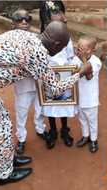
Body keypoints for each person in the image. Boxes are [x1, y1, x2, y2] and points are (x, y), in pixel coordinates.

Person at [0, 21, 92, 186]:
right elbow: (55, 90)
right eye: (62, 47)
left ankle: (9, 159)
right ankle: (3, 175)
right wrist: (80, 73)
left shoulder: (24, 34)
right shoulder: (38, 54)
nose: (60, 51)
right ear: (56, 44)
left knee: (5, 125)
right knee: (2, 129)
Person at [10, 9, 47, 155]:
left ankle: (40, 128)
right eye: (20, 19)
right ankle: (21, 139)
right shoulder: (9, 40)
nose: (24, 22)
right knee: (22, 111)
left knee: (40, 109)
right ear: (13, 23)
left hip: (38, 82)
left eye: (27, 18)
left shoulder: (37, 38)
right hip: (23, 84)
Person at [40, 0, 76, 149]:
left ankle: (64, 130)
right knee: (49, 104)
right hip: (47, 77)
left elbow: (70, 57)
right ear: (46, 16)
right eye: (55, 13)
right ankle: (53, 130)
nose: (60, 16)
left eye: (62, 12)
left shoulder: (66, 37)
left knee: (63, 103)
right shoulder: (42, 37)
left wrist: (69, 70)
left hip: (64, 76)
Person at [72, 36, 101, 153]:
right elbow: (72, 72)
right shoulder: (75, 60)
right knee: (82, 119)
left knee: (92, 121)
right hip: (80, 97)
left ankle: (93, 140)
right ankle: (85, 136)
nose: (78, 49)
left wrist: (83, 59)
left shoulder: (96, 61)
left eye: (82, 48)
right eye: (78, 47)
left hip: (91, 99)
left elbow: (88, 76)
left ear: (90, 50)